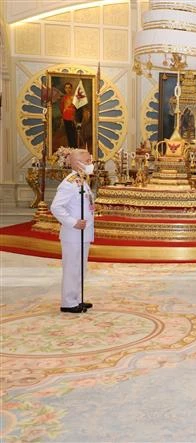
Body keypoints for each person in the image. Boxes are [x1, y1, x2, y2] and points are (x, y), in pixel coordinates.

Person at [50, 149, 95, 313]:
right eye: (88, 161)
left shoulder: (81, 181)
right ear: (77, 163)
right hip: (73, 233)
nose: (91, 164)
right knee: (72, 267)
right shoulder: (69, 183)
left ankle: (77, 298)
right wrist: (73, 222)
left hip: (83, 234)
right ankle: (68, 302)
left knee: (80, 267)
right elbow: (55, 207)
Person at [59, 82, 78, 148]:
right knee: (68, 134)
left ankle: (75, 148)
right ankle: (70, 148)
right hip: (65, 118)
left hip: (72, 118)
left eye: (69, 87)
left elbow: (77, 108)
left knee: (73, 134)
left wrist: (74, 117)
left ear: (71, 88)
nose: (68, 89)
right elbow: (61, 108)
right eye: (66, 88)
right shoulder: (63, 98)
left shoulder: (74, 97)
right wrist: (63, 115)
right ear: (64, 89)